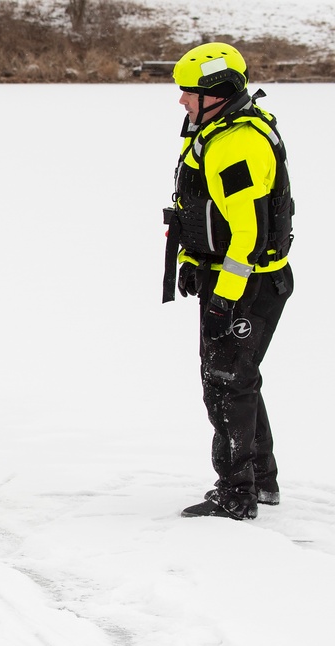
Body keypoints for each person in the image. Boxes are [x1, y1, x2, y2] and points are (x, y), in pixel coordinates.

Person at [161, 43, 295, 520]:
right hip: (239, 277)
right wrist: (197, 260)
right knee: (239, 381)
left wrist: (225, 296)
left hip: (249, 285)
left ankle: (237, 493)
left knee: (224, 384)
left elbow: (250, 234)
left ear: (216, 94)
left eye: (189, 93)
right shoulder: (218, 131)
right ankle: (261, 482)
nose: (182, 102)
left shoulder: (235, 145)